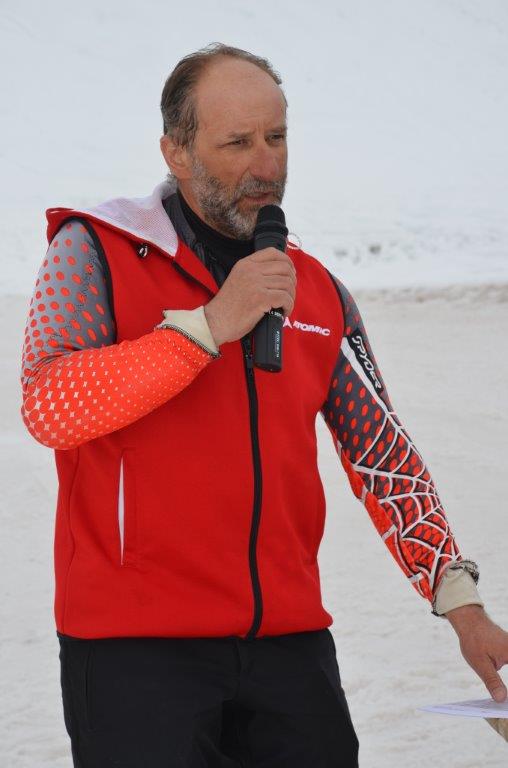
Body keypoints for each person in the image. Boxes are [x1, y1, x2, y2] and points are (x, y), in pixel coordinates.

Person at [20, 43, 507, 768]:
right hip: (134, 650)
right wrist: (208, 327)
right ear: (176, 151)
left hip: (287, 645)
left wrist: (464, 609)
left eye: (276, 137)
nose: (266, 165)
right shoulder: (95, 248)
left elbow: (386, 460)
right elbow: (50, 404)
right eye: (237, 143)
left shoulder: (314, 289)